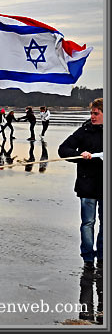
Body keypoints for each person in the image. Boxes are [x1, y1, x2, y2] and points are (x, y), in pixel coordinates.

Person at [58, 98, 103, 271]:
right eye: (91, 113)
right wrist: (79, 154)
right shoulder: (84, 131)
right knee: (88, 222)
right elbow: (63, 150)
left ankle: (102, 255)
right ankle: (88, 257)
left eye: (96, 113)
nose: (92, 116)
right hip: (87, 185)